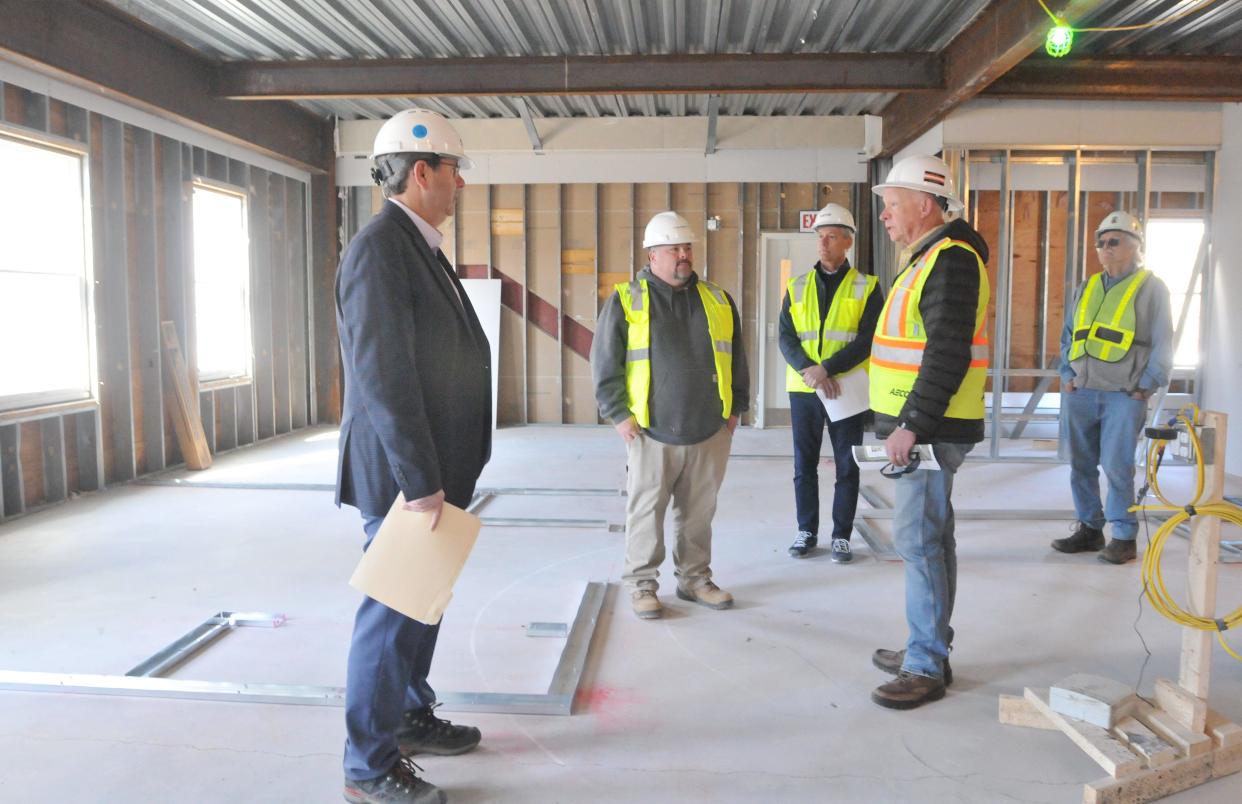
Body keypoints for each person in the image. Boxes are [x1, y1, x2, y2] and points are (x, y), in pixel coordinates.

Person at [335, 108, 491, 804]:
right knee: (392, 613)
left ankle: (407, 719)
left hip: (436, 474)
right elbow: (383, 376)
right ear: (422, 171)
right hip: (407, 479)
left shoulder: (416, 245)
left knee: (422, 609)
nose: (461, 185)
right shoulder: (379, 249)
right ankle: (367, 766)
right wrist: (421, 483)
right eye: (456, 171)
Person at [866, 155, 990, 710]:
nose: (886, 217)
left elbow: (946, 349)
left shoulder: (951, 260)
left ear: (925, 203)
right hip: (925, 425)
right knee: (932, 538)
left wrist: (912, 425)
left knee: (918, 541)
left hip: (929, 429)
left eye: (892, 205)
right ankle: (929, 645)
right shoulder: (929, 258)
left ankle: (924, 663)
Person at [591, 211, 749, 620]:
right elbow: (604, 364)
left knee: (699, 513)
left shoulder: (716, 298)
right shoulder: (627, 300)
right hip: (649, 431)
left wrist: (736, 410)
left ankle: (695, 579)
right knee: (646, 512)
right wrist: (618, 414)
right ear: (651, 254)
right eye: (674, 248)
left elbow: (737, 357)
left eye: (687, 247)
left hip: (709, 428)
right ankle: (642, 584)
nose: (683, 255)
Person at [1052, 211, 1173, 565]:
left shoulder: (1152, 288)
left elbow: (1164, 341)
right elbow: (1068, 336)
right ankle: (1090, 529)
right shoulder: (1086, 287)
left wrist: (1147, 384)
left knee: (1117, 466)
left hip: (1124, 395)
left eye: (1114, 241)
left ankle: (1123, 536)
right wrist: (1067, 375)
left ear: (1137, 246)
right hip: (1082, 392)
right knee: (1080, 464)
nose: (1105, 248)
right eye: (1101, 243)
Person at [778, 203, 882, 562]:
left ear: (847, 242)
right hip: (805, 389)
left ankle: (841, 535)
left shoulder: (867, 287)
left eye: (832, 237)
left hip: (846, 390)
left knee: (847, 464)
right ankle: (806, 531)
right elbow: (786, 337)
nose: (823, 244)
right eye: (820, 237)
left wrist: (829, 369)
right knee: (803, 464)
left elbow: (868, 339)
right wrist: (811, 370)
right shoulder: (797, 285)